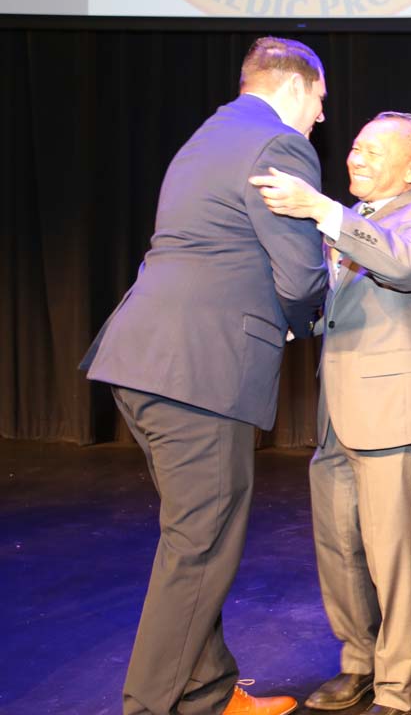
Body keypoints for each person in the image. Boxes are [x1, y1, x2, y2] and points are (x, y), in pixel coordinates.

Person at [80, 37, 329, 715]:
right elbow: (303, 274)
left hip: (145, 359)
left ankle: (210, 694)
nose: (321, 118)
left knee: (196, 538)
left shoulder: (207, 135)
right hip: (199, 369)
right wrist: (311, 316)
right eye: (321, 101)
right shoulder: (277, 145)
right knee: (200, 547)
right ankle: (150, 707)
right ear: (295, 87)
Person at [251, 111, 411, 715]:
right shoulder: (348, 225)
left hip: (391, 413)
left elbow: (405, 266)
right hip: (336, 415)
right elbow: (329, 310)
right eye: (355, 147)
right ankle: (359, 665)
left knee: (392, 559)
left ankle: (399, 691)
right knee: (338, 550)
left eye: (371, 150)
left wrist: (321, 211)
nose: (355, 158)